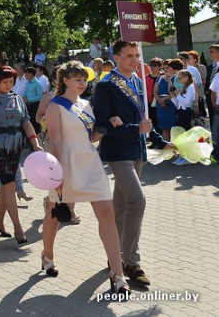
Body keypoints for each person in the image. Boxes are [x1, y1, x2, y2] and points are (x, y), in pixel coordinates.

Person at [41, 61, 130, 297]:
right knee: (54, 214)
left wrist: (108, 125)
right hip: (65, 165)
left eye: (84, 80)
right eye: (77, 79)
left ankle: (118, 274)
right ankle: (47, 256)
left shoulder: (86, 105)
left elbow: (90, 138)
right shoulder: (55, 106)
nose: (82, 83)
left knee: (107, 216)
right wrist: (57, 173)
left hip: (90, 165)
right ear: (65, 81)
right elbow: (57, 142)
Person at [93, 40, 171, 287]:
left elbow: (144, 119)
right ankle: (131, 261)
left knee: (121, 206)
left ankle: (113, 256)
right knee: (137, 200)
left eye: (137, 55)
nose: (135, 60)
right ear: (116, 57)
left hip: (138, 149)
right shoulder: (106, 84)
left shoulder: (138, 80)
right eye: (129, 56)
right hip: (117, 152)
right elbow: (103, 123)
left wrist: (159, 140)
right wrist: (132, 128)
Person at [0, 66, 42, 244]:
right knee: (9, 184)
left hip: (16, 145)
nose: (8, 85)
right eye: (5, 82)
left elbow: (26, 122)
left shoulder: (17, 98)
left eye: (11, 82)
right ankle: (18, 227)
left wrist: (35, 142)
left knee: (7, 186)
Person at [23, 67, 44, 133]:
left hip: (35, 106)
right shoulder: (27, 83)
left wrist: (29, 99)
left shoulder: (37, 83)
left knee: (35, 123)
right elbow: (26, 93)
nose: (25, 76)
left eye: (26, 74)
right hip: (27, 105)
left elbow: (40, 96)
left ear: (31, 74)